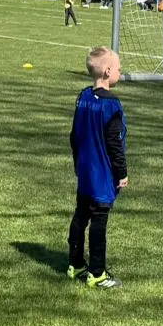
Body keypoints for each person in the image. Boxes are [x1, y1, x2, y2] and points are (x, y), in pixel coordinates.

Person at [67, 46, 128, 289]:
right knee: (99, 220)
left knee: (81, 215)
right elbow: (114, 143)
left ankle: (75, 263)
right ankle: (97, 272)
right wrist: (121, 172)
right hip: (102, 174)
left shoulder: (83, 97)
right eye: (119, 69)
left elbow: (74, 135)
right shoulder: (111, 105)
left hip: (85, 171)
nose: (121, 72)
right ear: (108, 72)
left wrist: (77, 163)